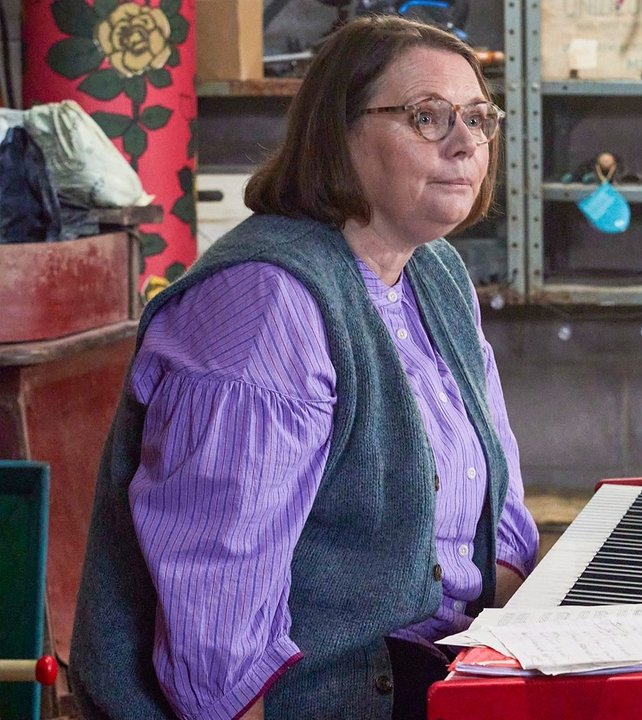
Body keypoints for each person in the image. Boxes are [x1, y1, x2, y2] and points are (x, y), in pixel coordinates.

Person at [69, 15, 538, 720]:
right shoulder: (267, 304)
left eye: (477, 117)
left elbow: (496, 525)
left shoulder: (435, 272)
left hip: (442, 667)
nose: (466, 143)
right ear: (337, 134)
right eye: (427, 117)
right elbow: (217, 629)